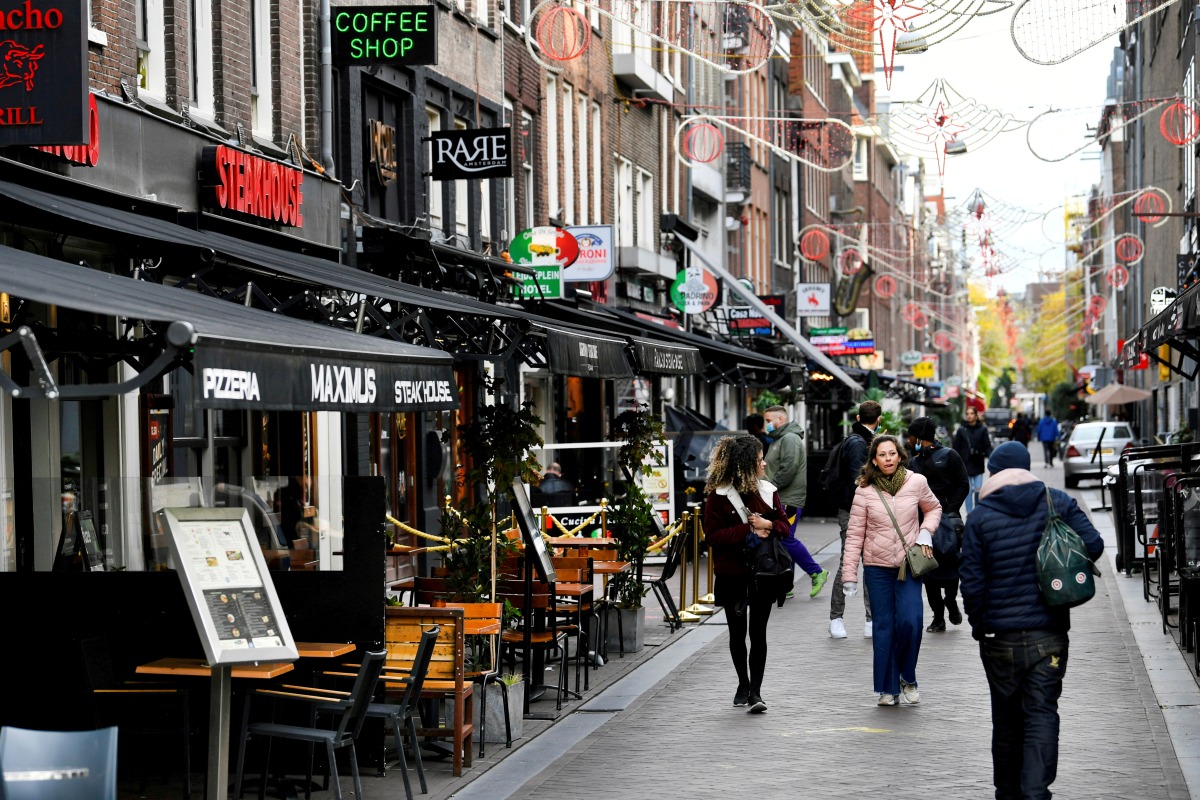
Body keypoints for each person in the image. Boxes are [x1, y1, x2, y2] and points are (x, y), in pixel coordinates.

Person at [959, 441, 1104, 800]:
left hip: (999, 637)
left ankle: (1007, 794)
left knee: (1006, 721)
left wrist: (979, 625)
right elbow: (1095, 545)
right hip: (1049, 631)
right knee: (1041, 713)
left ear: (992, 472)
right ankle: (1036, 793)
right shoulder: (1057, 501)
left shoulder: (979, 515)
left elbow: (972, 582)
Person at [841, 435, 942, 706]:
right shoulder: (864, 490)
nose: (888, 459)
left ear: (900, 456)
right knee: (883, 627)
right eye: (882, 455)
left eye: (892, 453)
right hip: (877, 569)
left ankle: (907, 677)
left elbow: (934, 509)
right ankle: (888, 688)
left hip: (908, 566)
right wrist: (849, 574)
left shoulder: (916, 482)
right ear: (874, 459)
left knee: (911, 621)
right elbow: (854, 535)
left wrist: (925, 532)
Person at [703, 435, 791, 714]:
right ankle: (743, 684)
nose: (764, 463)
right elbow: (712, 536)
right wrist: (749, 529)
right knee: (737, 633)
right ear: (743, 465)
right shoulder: (718, 496)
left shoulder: (767, 491)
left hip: (764, 573)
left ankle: (756, 692)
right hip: (732, 573)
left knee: (759, 632)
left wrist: (768, 523)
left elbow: (784, 528)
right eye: (758, 459)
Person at [906, 417, 970, 633]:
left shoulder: (949, 455)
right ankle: (938, 617)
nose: (908, 439)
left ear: (918, 436)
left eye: (910, 435)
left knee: (951, 565)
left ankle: (951, 600)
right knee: (929, 570)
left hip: (949, 522)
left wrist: (951, 509)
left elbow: (963, 483)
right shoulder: (913, 462)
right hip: (923, 524)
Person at [762, 405, 829, 599]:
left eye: (768, 420)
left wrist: (770, 488)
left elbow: (788, 469)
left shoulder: (789, 439)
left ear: (780, 420)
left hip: (788, 499)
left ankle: (816, 572)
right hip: (783, 497)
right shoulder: (780, 439)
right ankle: (786, 585)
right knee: (783, 541)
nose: (766, 424)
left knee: (785, 538)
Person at [830, 400, 880, 639]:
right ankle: (856, 619)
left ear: (859, 418)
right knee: (858, 563)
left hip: (849, 509)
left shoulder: (854, 440)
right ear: (878, 419)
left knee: (848, 563)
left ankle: (840, 619)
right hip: (855, 511)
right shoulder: (861, 444)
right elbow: (859, 480)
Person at [954, 405, 993, 515]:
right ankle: (970, 513)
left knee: (978, 490)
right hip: (965, 464)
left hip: (978, 463)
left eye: (971, 413)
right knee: (968, 490)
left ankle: (977, 512)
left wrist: (991, 458)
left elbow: (987, 446)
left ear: (976, 416)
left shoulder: (982, 429)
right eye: (967, 414)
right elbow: (956, 448)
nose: (969, 416)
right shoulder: (961, 430)